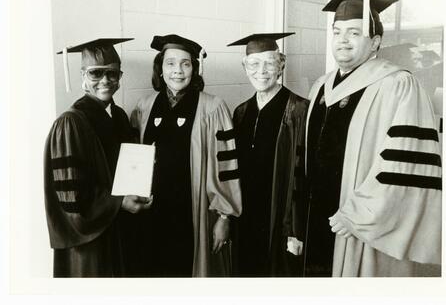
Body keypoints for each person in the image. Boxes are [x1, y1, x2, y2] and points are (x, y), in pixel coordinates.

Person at [304, 0, 442, 277]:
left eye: (354, 32)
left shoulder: (399, 84)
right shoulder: (320, 87)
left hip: (359, 224)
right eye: (337, 32)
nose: (342, 40)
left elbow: (404, 165)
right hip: (315, 219)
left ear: (376, 42)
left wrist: (358, 215)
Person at [126, 34, 242, 277]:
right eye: (170, 63)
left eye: (185, 64)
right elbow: (134, 162)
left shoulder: (213, 107)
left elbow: (227, 167)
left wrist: (224, 217)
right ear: (160, 69)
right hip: (151, 215)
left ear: (194, 69)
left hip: (192, 213)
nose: (177, 71)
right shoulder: (144, 106)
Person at [44, 38, 152, 277]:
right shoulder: (71, 122)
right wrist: (119, 202)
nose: (105, 81)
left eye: (112, 74)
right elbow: (72, 198)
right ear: (83, 77)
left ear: (120, 77)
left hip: (122, 231)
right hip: (90, 240)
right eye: (96, 74)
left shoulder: (120, 117)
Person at [227, 33, 309, 277]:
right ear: (244, 68)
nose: (261, 71)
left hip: (280, 222)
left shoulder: (300, 110)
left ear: (281, 65)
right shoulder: (240, 112)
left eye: (269, 63)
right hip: (246, 219)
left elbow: (304, 177)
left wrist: (296, 229)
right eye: (253, 64)